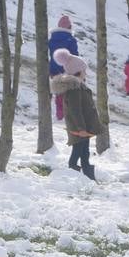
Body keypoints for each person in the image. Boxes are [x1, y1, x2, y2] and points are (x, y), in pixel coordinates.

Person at [50, 49, 101, 180]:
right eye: (84, 70)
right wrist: (81, 128)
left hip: (84, 127)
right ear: (77, 72)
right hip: (79, 128)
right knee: (77, 150)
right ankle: (73, 173)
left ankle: (87, 176)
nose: (86, 73)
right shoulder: (74, 89)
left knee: (85, 152)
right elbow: (75, 110)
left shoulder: (79, 86)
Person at [48, 15, 79, 121]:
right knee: (68, 93)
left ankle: (59, 115)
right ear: (69, 27)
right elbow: (74, 55)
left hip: (54, 69)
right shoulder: (71, 40)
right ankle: (68, 115)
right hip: (67, 70)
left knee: (58, 92)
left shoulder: (52, 39)